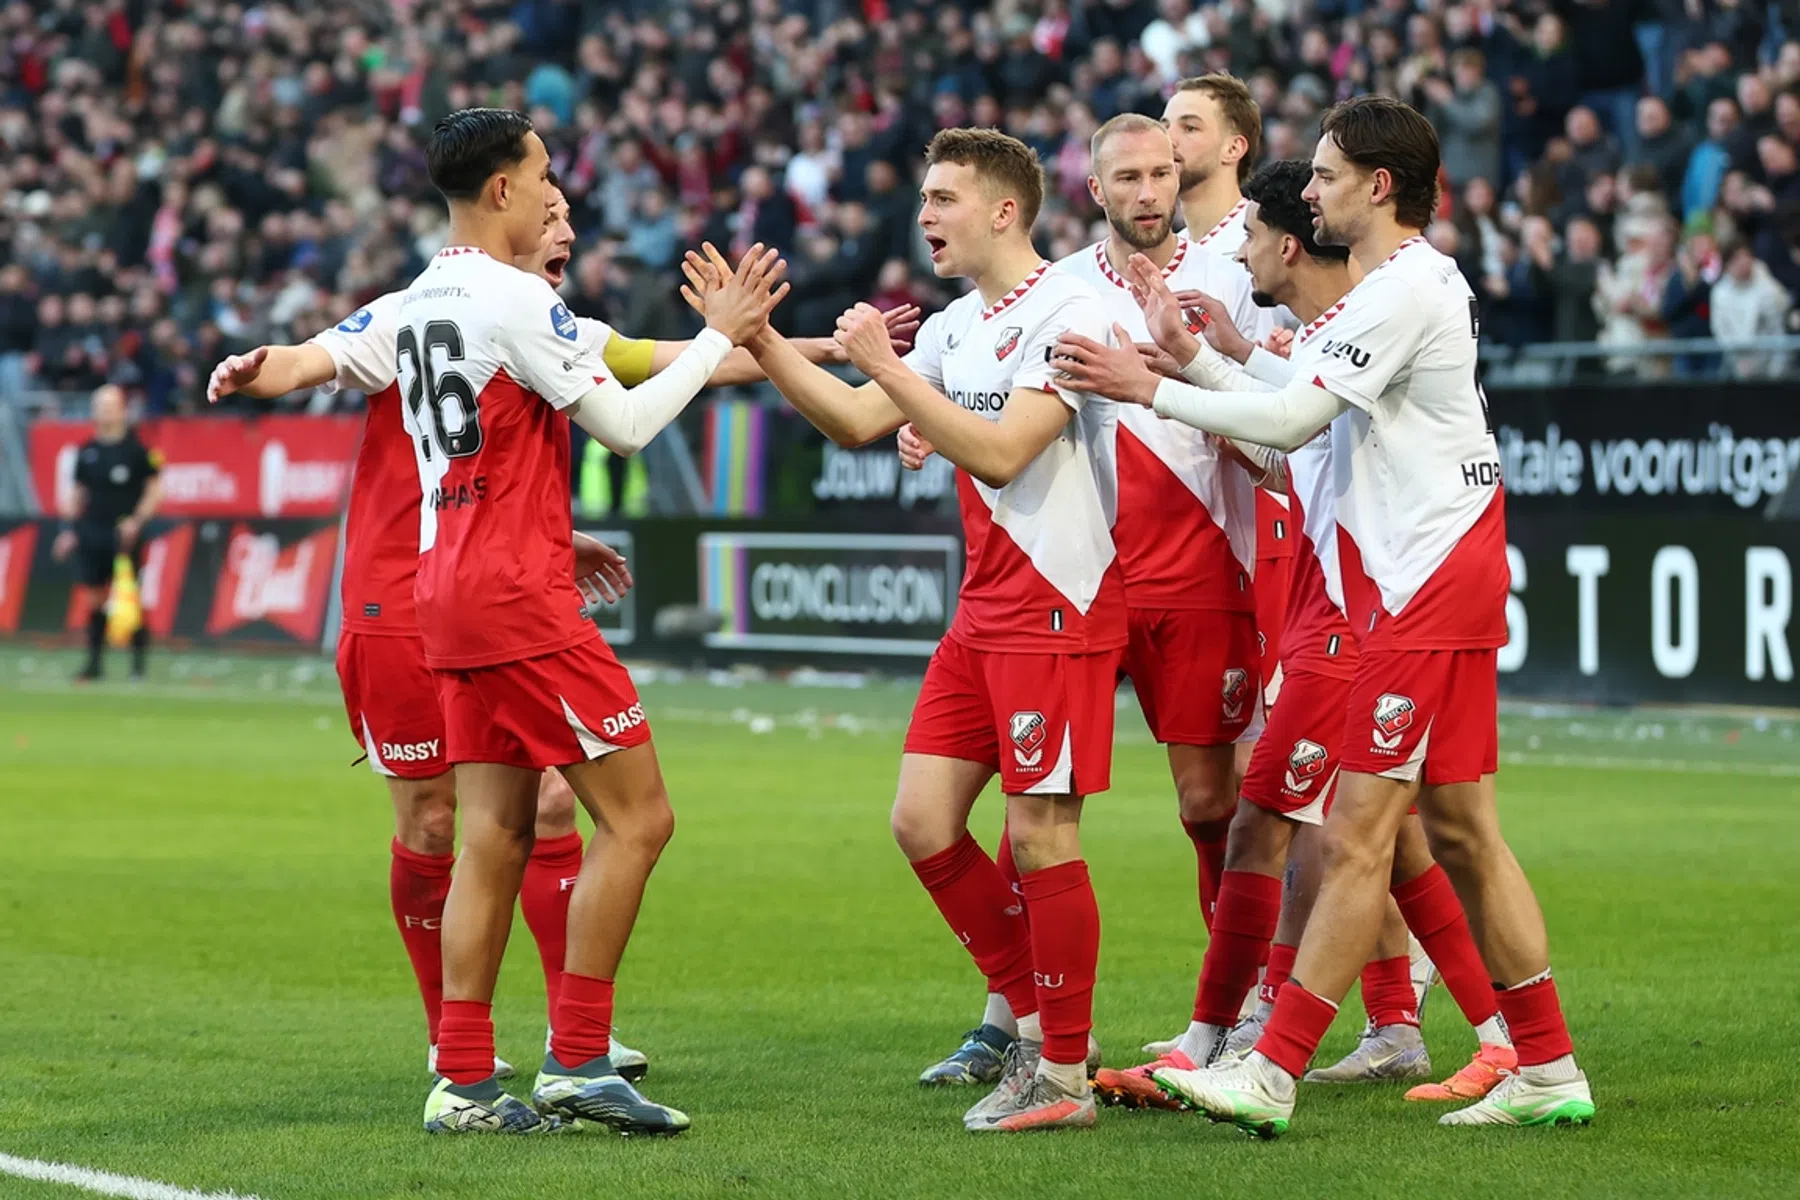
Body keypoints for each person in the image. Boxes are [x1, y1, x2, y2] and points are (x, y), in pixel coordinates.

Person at [1055, 96, 1593, 1135]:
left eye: (1328, 176)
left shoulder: (1404, 288)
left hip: (1419, 582)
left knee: (1351, 832)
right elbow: (1299, 405)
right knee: (1463, 832)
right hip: (1424, 575)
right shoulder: (1385, 291)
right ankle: (1545, 1063)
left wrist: (1147, 385)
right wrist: (1196, 362)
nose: (1309, 192)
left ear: (1378, 186)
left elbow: (1294, 420)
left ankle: (1272, 1065)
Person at [697, 127, 1122, 1134]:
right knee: (922, 822)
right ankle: (1042, 1020)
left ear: (1005, 210)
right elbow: (854, 422)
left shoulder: (1071, 305)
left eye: (942, 199)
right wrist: (758, 338)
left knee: (1040, 832)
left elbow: (1010, 452)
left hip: (1058, 602)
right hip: (984, 611)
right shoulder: (962, 322)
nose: (923, 216)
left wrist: (893, 369)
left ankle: (1061, 1076)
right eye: (924, 198)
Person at [398, 108, 782, 1136]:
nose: (554, 192)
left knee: (495, 833)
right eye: (545, 176)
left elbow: (466, 460)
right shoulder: (517, 297)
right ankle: (577, 1056)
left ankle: (465, 1081)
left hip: (448, 586)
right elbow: (624, 424)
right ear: (503, 193)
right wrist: (718, 336)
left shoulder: (415, 299)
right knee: (640, 818)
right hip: (519, 600)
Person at [1160, 74, 1292, 845]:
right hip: (1186, 538)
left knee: (1282, 771)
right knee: (1220, 792)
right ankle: (1259, 963)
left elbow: (1308, 373)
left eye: (1189, 126)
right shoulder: (1152, 252)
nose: (1169, 140)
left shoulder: (1268, 243)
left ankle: (1392, 951)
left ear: (1236, 145)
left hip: (1272, 519)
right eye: (1164, 123)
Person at [51, 384, 162, 682]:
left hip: (126, 536)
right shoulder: (87, 451)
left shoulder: (137, 450)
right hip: (93, 532)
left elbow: (153, 490)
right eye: (100, 405)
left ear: (122, 410)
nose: (105, 411)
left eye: (111, 405)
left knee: (131, 597)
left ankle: (138, 666)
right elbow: (77, 495)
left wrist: (136, 521)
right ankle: (95, 663)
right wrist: (68, 531)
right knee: (95, 598)